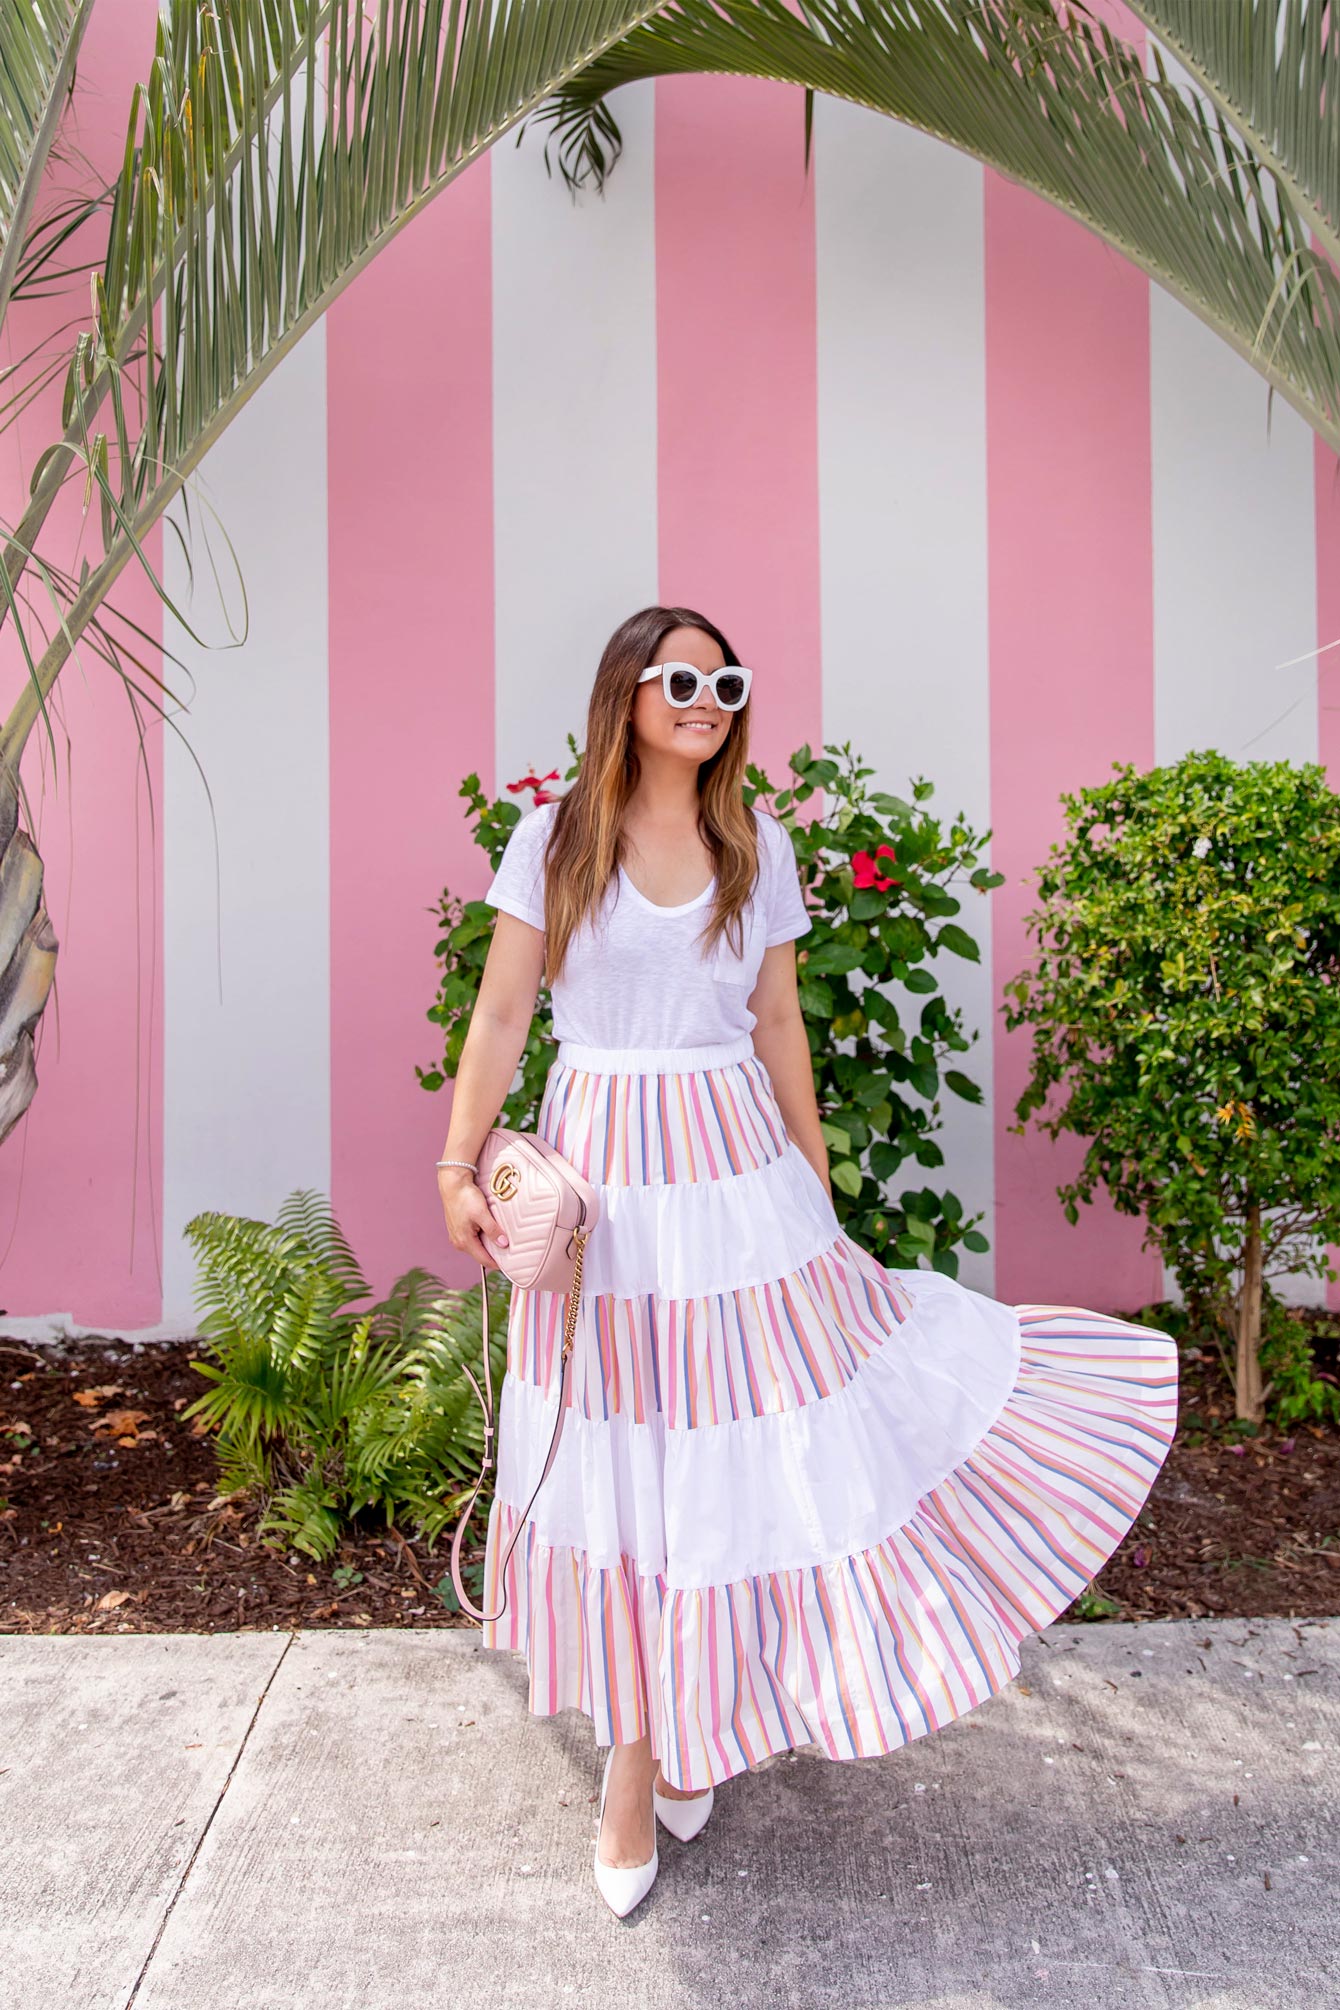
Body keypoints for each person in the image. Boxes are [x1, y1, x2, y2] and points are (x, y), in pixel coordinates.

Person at [436, 603, 1179, 1919]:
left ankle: (683, 1728)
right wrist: (456, 1163)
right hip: (609, 1176)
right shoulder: (555, 840)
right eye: (683, 677)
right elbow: (502, 1011)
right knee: (629, 1454)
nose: (710, 697)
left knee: (741, 1449)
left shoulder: (753, 842)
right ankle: (639, 1754)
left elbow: (777, 1017)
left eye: (727, 680)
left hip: (738, 1188)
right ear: (628, 691)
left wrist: (815, 1187)